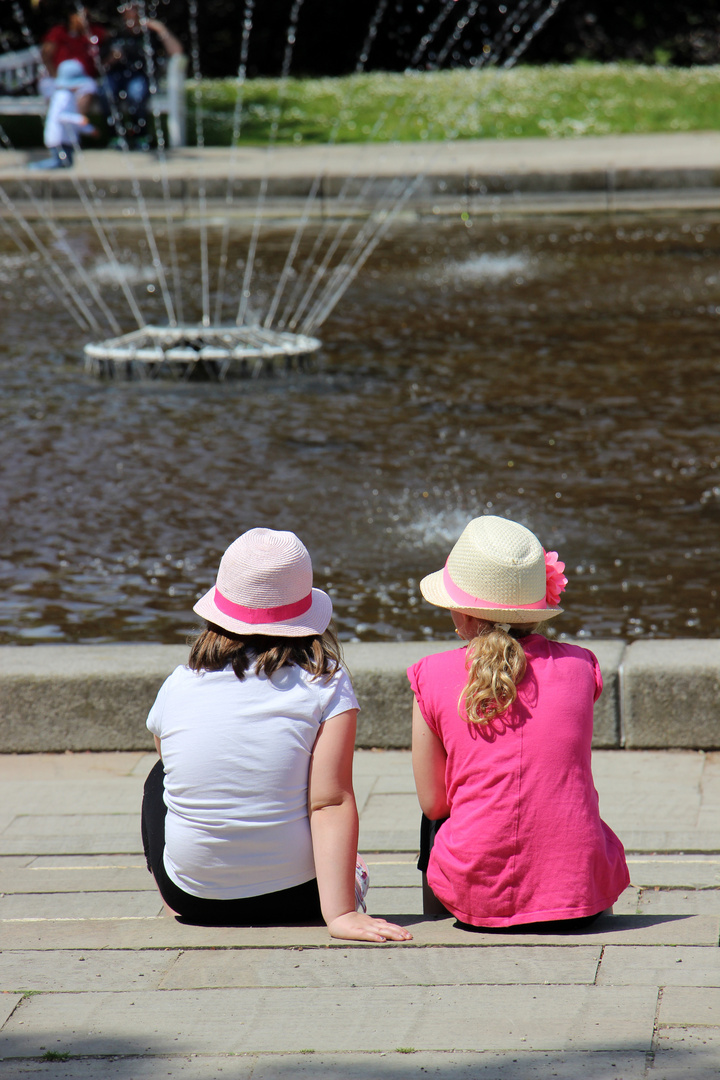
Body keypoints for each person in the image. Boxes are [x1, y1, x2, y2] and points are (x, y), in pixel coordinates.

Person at [141, 527, 412, 943]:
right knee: (314, 791)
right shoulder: (326, 683)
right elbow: (331, 801)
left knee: (158, 778)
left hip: (192, 900)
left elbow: (172, 763)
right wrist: (339, 914)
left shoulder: (179, 684)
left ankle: (199, 872)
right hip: (300, 899)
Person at [408, 515, 630, 931]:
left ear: (465, 614)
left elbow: (434, 804)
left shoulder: (430, 674)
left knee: (440, 807)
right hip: (578, 888)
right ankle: (582, 893)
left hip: (479, 894)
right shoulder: (582, 666)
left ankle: (436, 914)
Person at [102, 2, 183, 150]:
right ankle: (116, 137)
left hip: (141, 75)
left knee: (136, 93)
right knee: (107, 92)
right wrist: (113, 58)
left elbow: (176, 51)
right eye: (127, 12)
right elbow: (103, 64)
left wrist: (161, 29)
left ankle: (140, 136)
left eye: (134, 11)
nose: (131, 15)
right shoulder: (116, 34)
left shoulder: (150, 34)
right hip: (117, 75)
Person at [29, 58, 98, 170]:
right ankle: (34, 168)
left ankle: (40, 170)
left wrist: (89, 130)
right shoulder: (62, 96)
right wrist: (79, 119)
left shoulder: (68, 96)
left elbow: (74, 121)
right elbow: (61, 116)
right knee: (59, 162)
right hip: (58, 138)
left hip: (65, 139)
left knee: (67, 163)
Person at [40, 5, 106, 115]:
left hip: (81, 80)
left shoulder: (92, 33)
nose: (85, 21)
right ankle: (59, 124)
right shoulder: (59, 32)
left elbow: (110, 38)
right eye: (82, 17)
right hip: (56, 78)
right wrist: (57, 77)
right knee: (53, 91)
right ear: (72, 17)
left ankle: (74, 123)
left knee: (90, 87)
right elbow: (46, 55)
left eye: (87, 17)